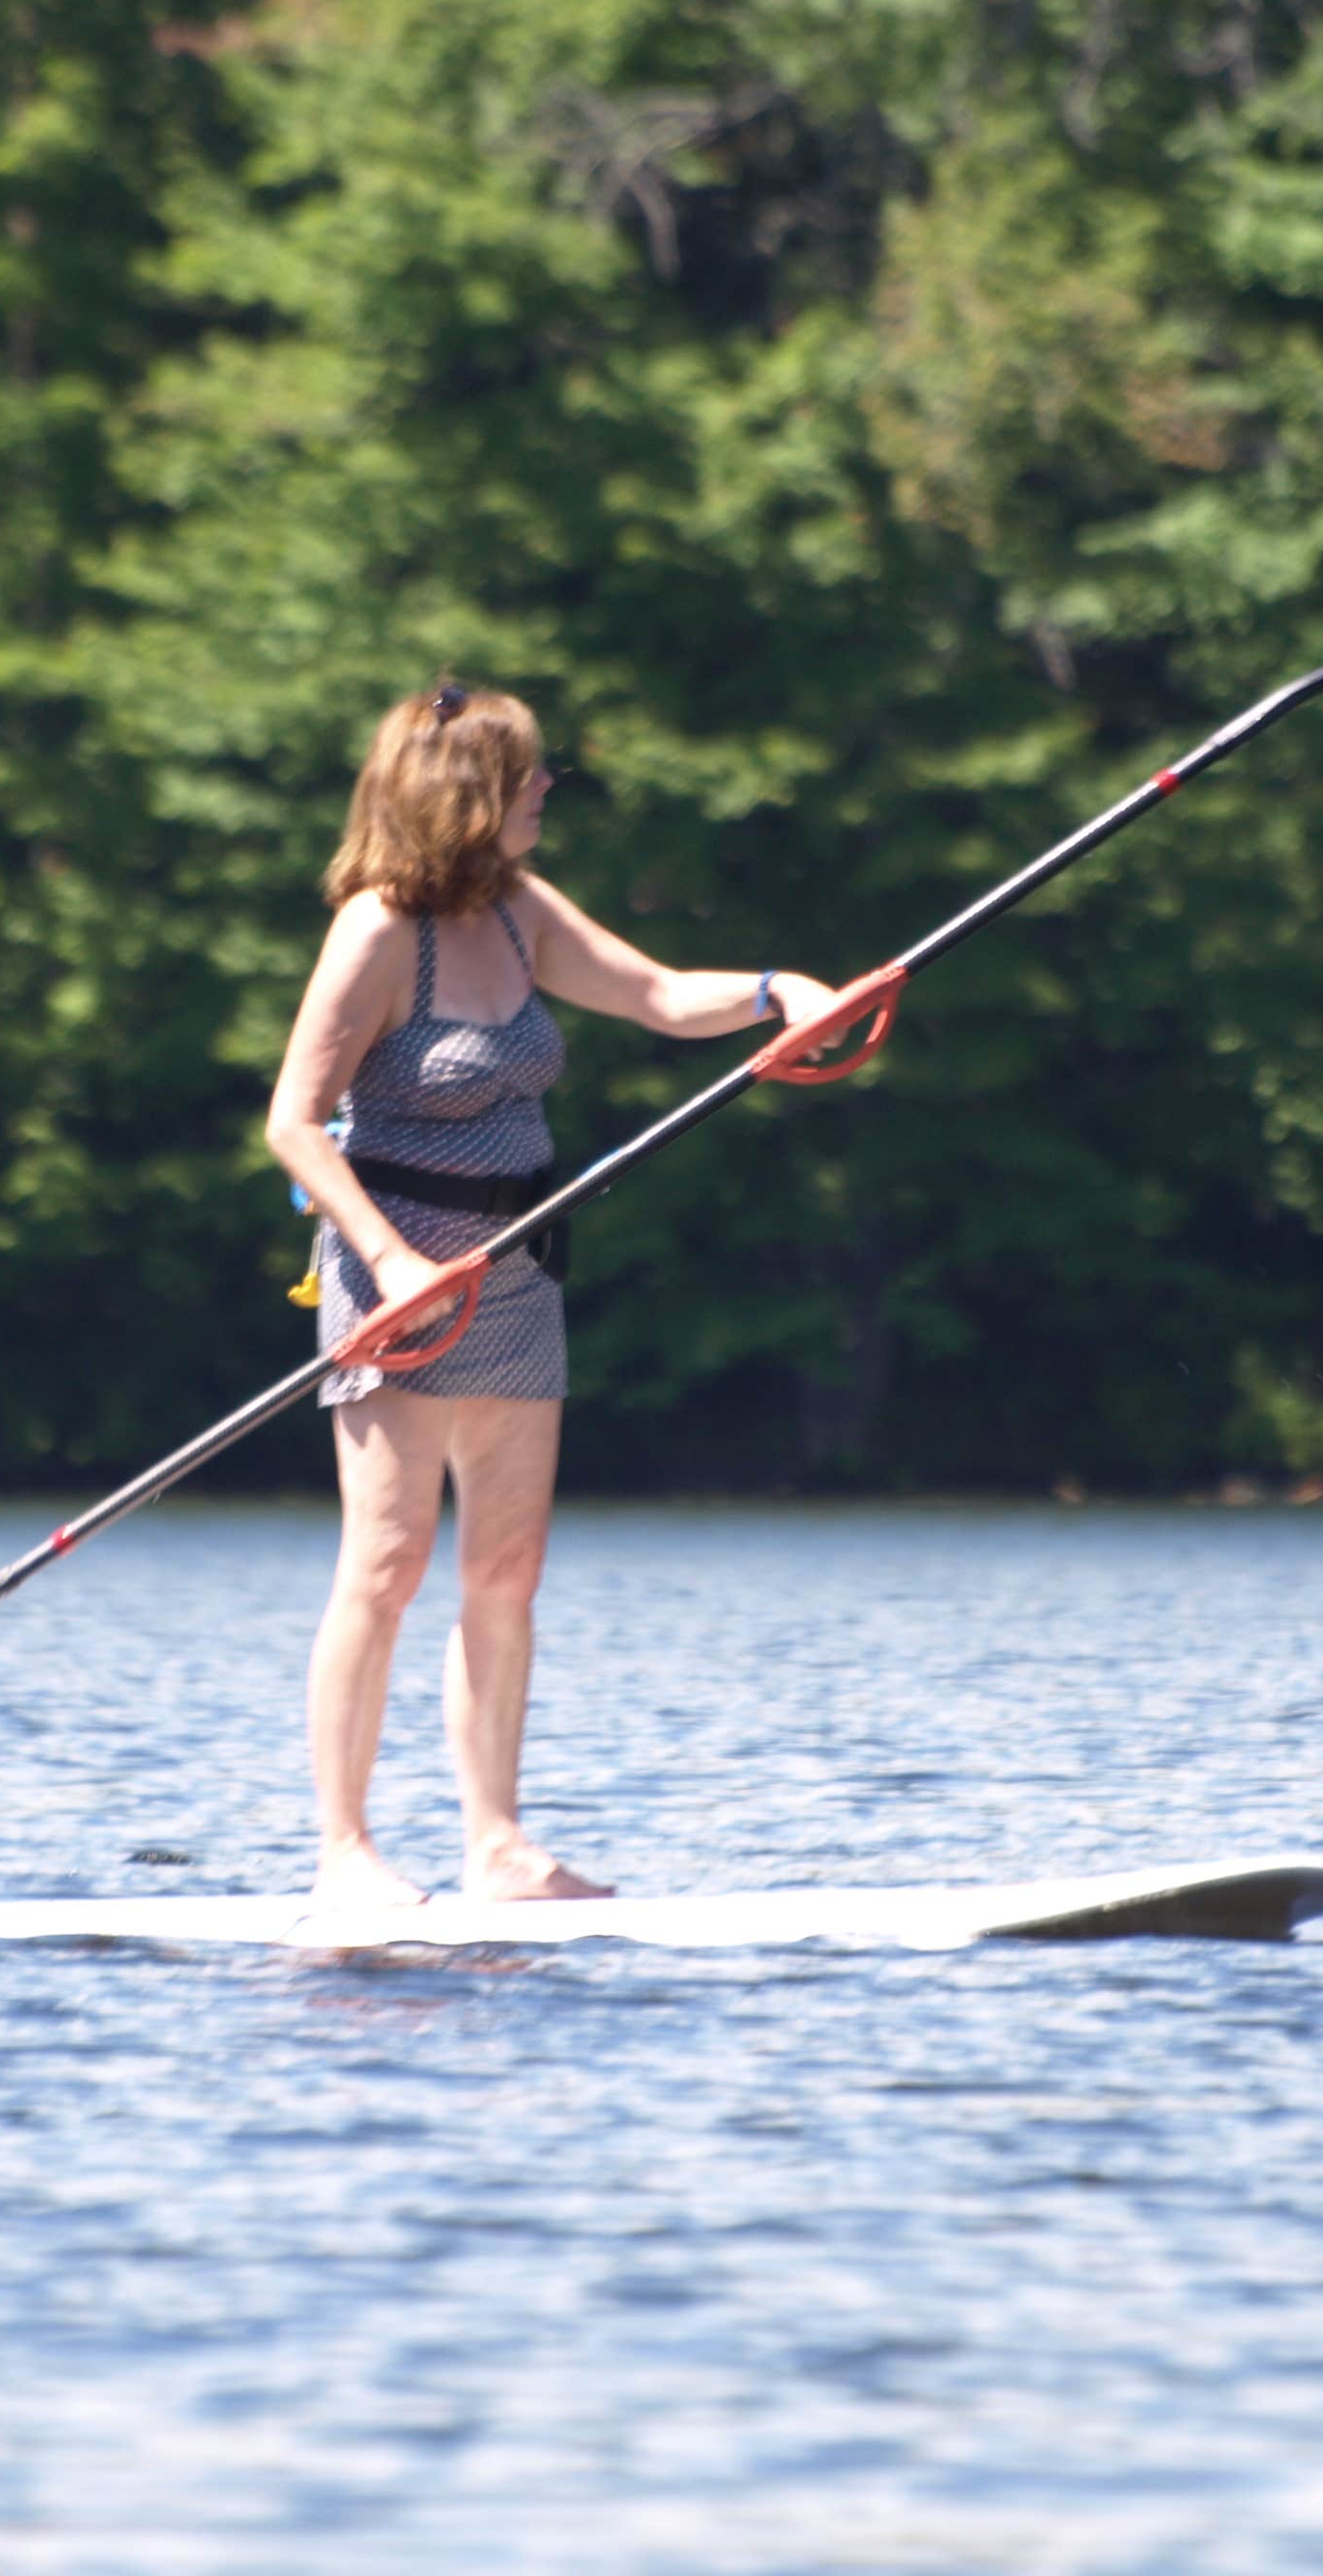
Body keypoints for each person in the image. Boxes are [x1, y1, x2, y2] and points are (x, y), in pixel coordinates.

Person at [265, 682, 839, 1905]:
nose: (544, 791)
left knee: (508, 1567)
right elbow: (295, 1124)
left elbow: (656, 994)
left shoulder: (519, 911)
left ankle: (497, 1847)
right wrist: (395, 1264)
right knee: (388, 1562)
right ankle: (345, 1855)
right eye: (528, 775)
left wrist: (779, 993)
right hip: (395, 1271)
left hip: (519, 1267)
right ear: (463, 792)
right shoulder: (376, 929)